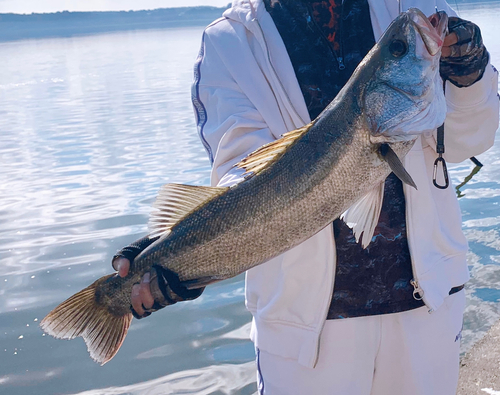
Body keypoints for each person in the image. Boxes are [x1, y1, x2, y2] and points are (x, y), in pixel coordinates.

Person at [112, 0, 499, 393]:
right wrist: (183, 249)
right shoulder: (229, 40)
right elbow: (242, 173)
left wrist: (472, 74)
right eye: (398, 50)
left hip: (426, 308)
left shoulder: (415, 8)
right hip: (304, 330)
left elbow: (471, 139)